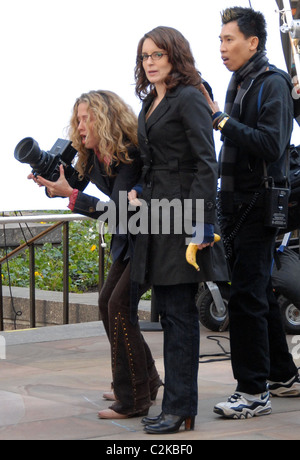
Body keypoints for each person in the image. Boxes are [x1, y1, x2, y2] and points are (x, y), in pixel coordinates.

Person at [30, 90, 161, 419]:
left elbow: (116, 212)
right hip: (130, 241)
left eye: (87, 118)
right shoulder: (93, 155)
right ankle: (145, 379)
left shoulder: (130, 154)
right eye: (78, 119)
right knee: (109, 303)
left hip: (152, 238)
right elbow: (70, 184)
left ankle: (133, 399)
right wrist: (50, 181)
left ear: (107, 119)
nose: (81, 125)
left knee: (118, 305)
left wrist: (71, 194)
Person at [129, 26, 227, 434]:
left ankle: (181, 408)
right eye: (145, 56)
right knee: (170, 314)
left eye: (157, 55)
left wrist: (202, 222)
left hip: (184, 217)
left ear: (174, 55)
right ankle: (176, 405)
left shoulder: (188, 97)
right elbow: (152, 161)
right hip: (155, 215)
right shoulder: (152, 100)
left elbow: (208, 161)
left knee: (180, 316)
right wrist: (137, 189)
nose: (149, 62)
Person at [211, 7, 300, 420]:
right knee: (257, 293)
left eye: (230, 39)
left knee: (247, 299)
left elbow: (271, 143)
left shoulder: (272, 83)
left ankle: (252, 391)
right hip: (237, 204)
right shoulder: (241, 81)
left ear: (253, 42)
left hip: (258, 205)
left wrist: (221, 120)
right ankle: (282, 377)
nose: (223, 47)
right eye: (221, 39)